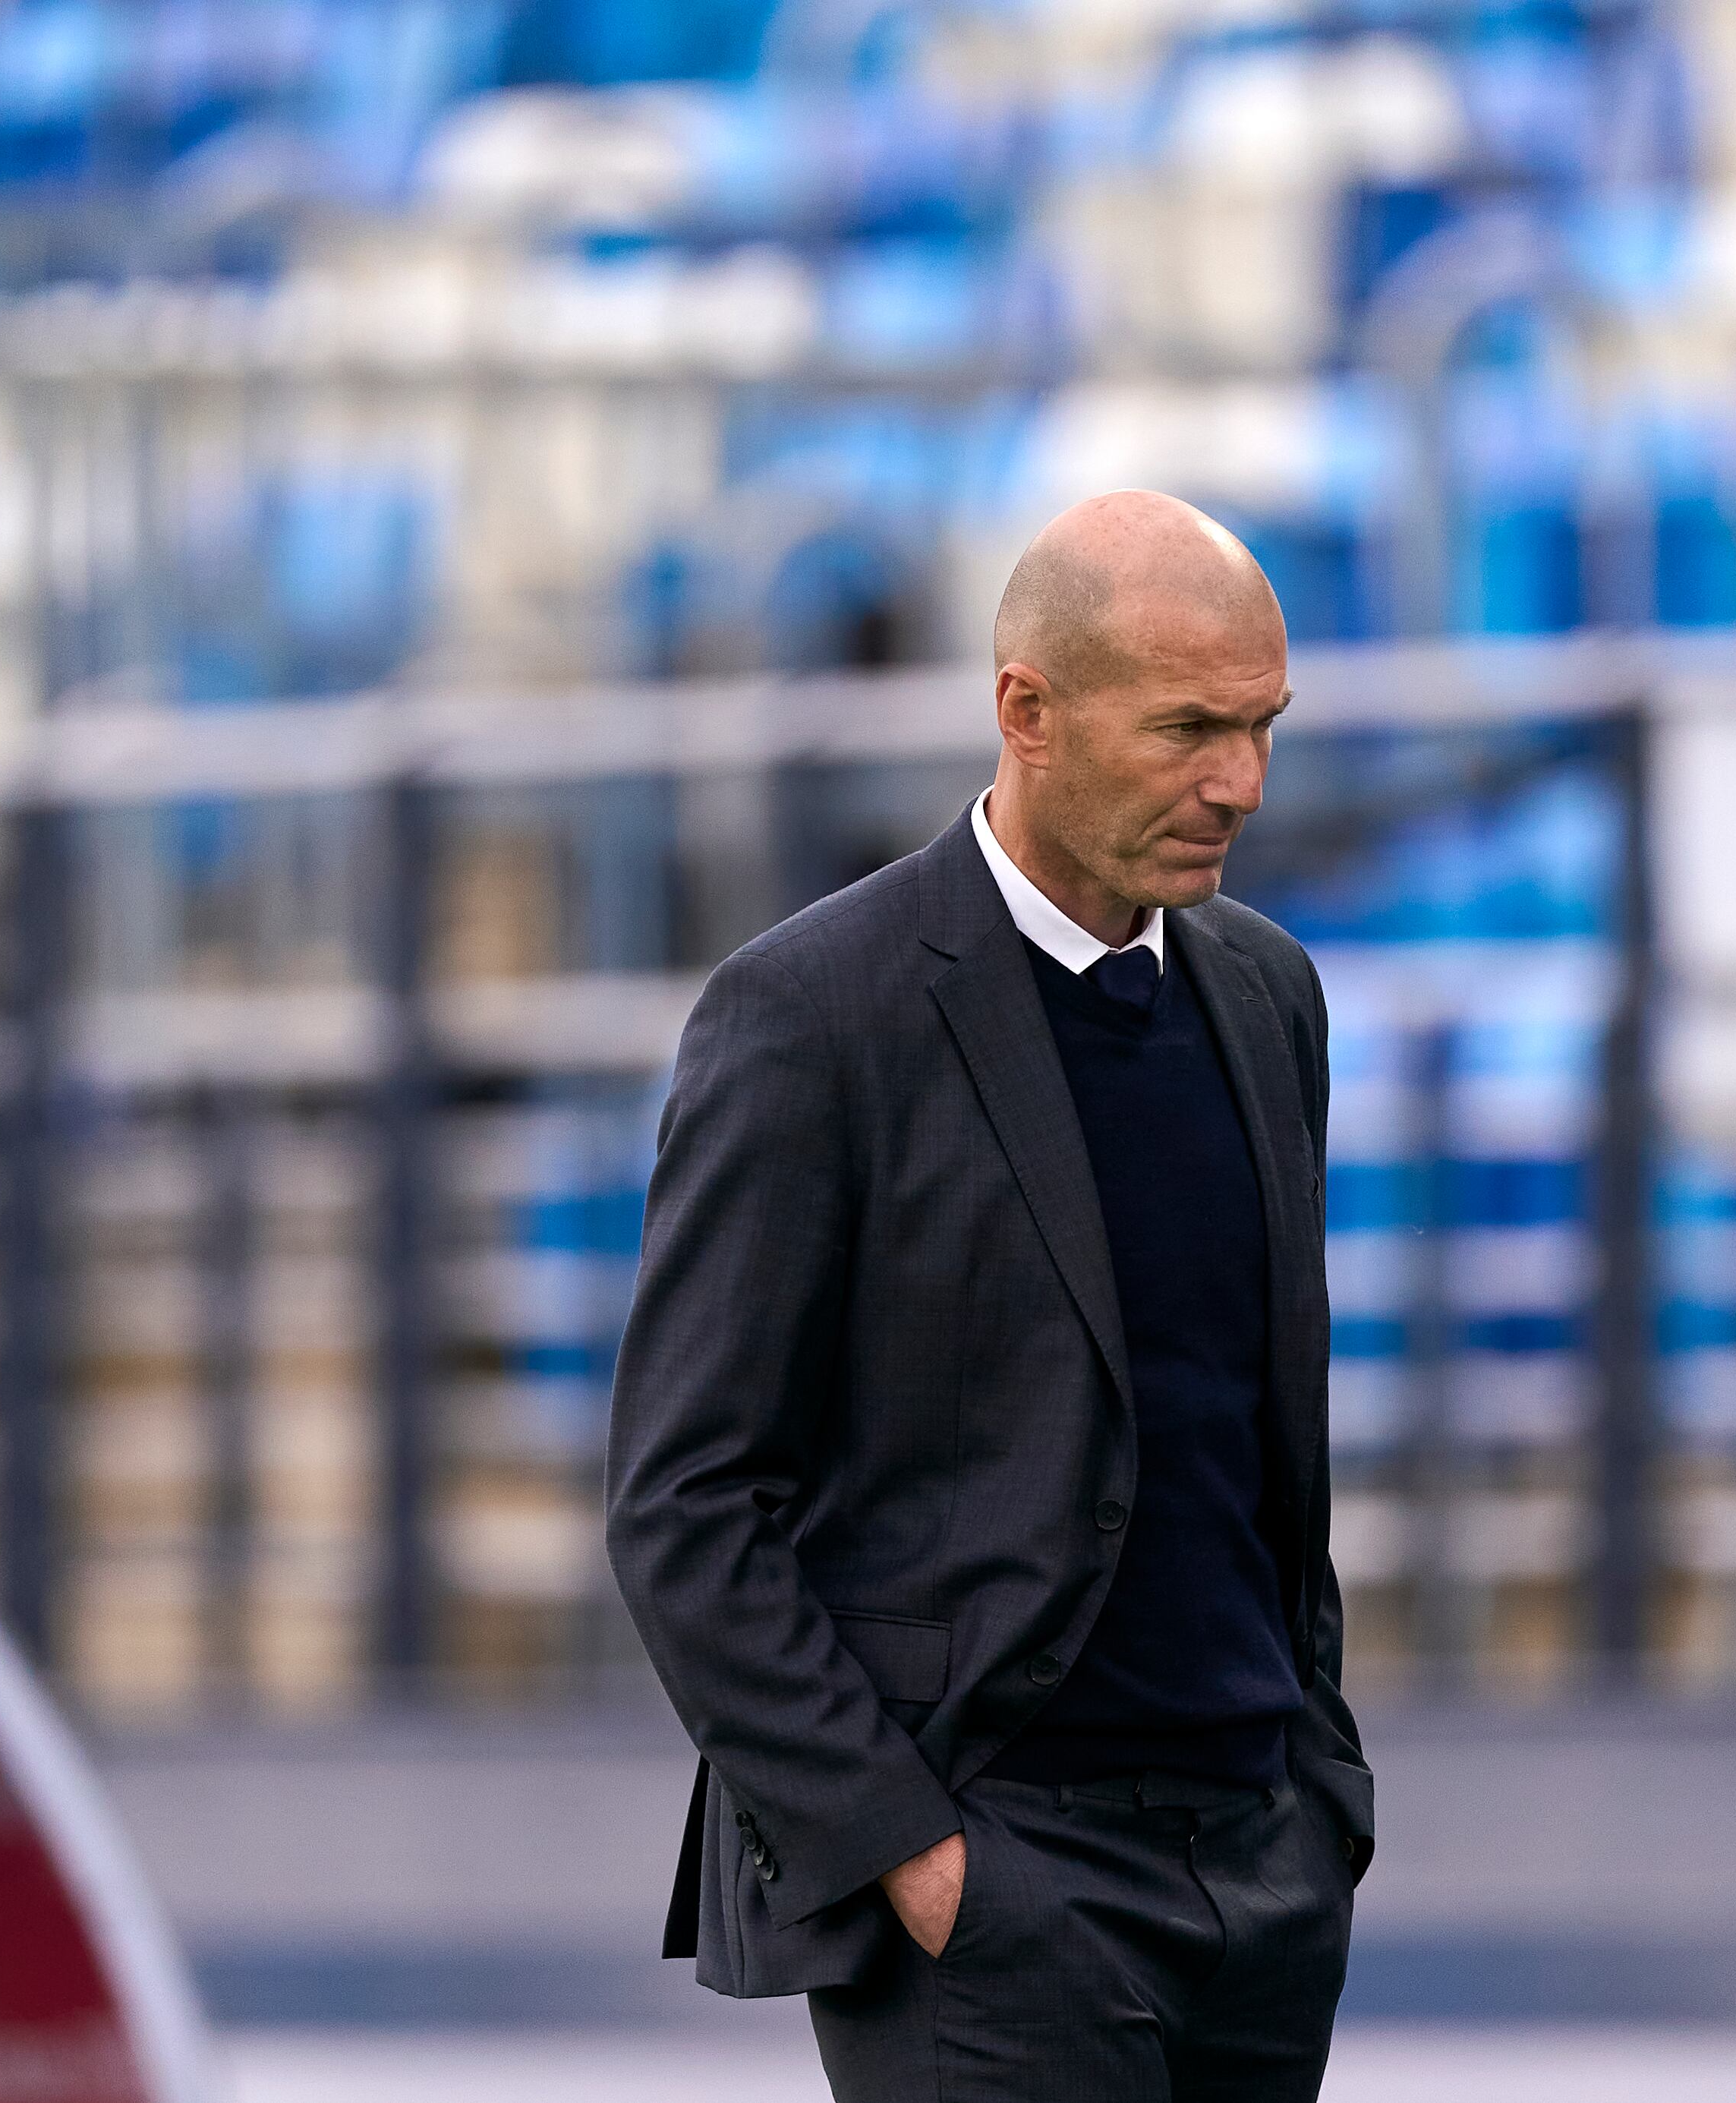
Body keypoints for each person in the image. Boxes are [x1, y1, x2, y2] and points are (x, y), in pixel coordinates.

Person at [606, 490, 1372, 2098]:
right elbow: (683, 1503)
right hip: (998, 1894)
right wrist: (913, 1854)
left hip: (1261, 1873)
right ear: (1025, 709)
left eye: (1259, 727)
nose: (1235, 781)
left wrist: (1319, 1789)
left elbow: (1252, 1443)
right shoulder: (809, 1016)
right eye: (1185, 729)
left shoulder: (1264, 997)